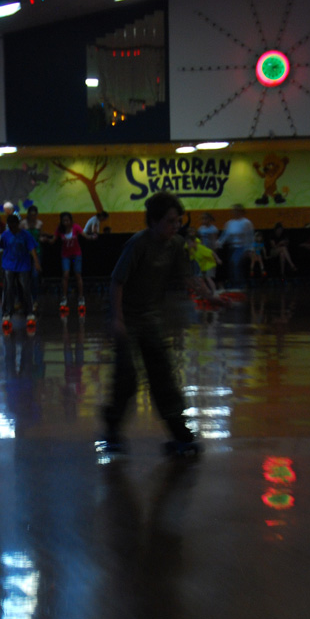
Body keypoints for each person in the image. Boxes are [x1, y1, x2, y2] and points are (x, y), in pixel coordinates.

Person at [101, 191, 202, 457]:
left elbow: (188, 281)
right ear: (154, 221)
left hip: (151, 319)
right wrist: (117, 319)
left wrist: (213, 297)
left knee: (164, 374)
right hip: (128, 319)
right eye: (170, 221)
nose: (176, 226)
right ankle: (112, 431)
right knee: (128, 375)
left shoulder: (176, 245)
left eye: (178, 221)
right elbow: (117, 282)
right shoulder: (138, 244)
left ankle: (180, 434)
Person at [0, 213, 42, 328]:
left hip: (23, 265)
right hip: (9, 265)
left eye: (14, 224)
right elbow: (2, 248)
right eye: (10, 224)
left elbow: (32, 249)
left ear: (18, 224)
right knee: (8, 289)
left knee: (25, 288)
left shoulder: (25, 235)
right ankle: (7, 313)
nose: (12, 227)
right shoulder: (5, 235)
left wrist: (36, 262)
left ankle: (29, 313)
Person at [47, 211, 94, 312]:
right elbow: (53, 240)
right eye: (64, 221)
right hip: (65, 255)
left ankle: (81, 297)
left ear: (71, 220)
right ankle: (64, 297)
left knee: (78, 274)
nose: (66, 222)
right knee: (66, 275)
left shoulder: (76, 227)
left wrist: (91, 237)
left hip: (76, 254)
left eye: (67, 220)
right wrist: (45, 239)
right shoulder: (60, 229)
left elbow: (84, 235)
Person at [216, 203, 254, 291]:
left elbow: (250, 237)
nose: (234, 212)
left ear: (241, 211)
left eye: (236, 211)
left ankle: (239, 285)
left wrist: (249, 249)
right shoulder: (229, 223)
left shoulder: (246, 222)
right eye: (233, 211)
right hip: (232, 248)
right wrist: (218, 243)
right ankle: (234, 284)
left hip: (242, 247)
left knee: (235, 263)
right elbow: (225, 236)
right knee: (231, 265)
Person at [184, 231, 219, 297]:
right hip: (203, 266)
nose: (188, 245)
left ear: (194, 242)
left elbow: (211, 252)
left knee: (208, 278)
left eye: (189, 243)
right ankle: (206, 292)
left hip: (210, 264)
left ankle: (215, 292)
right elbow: (187, 248)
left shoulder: (200, 247)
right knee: (200, 279)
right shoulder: (191, 249)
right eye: (187, 243)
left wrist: (217, 259)